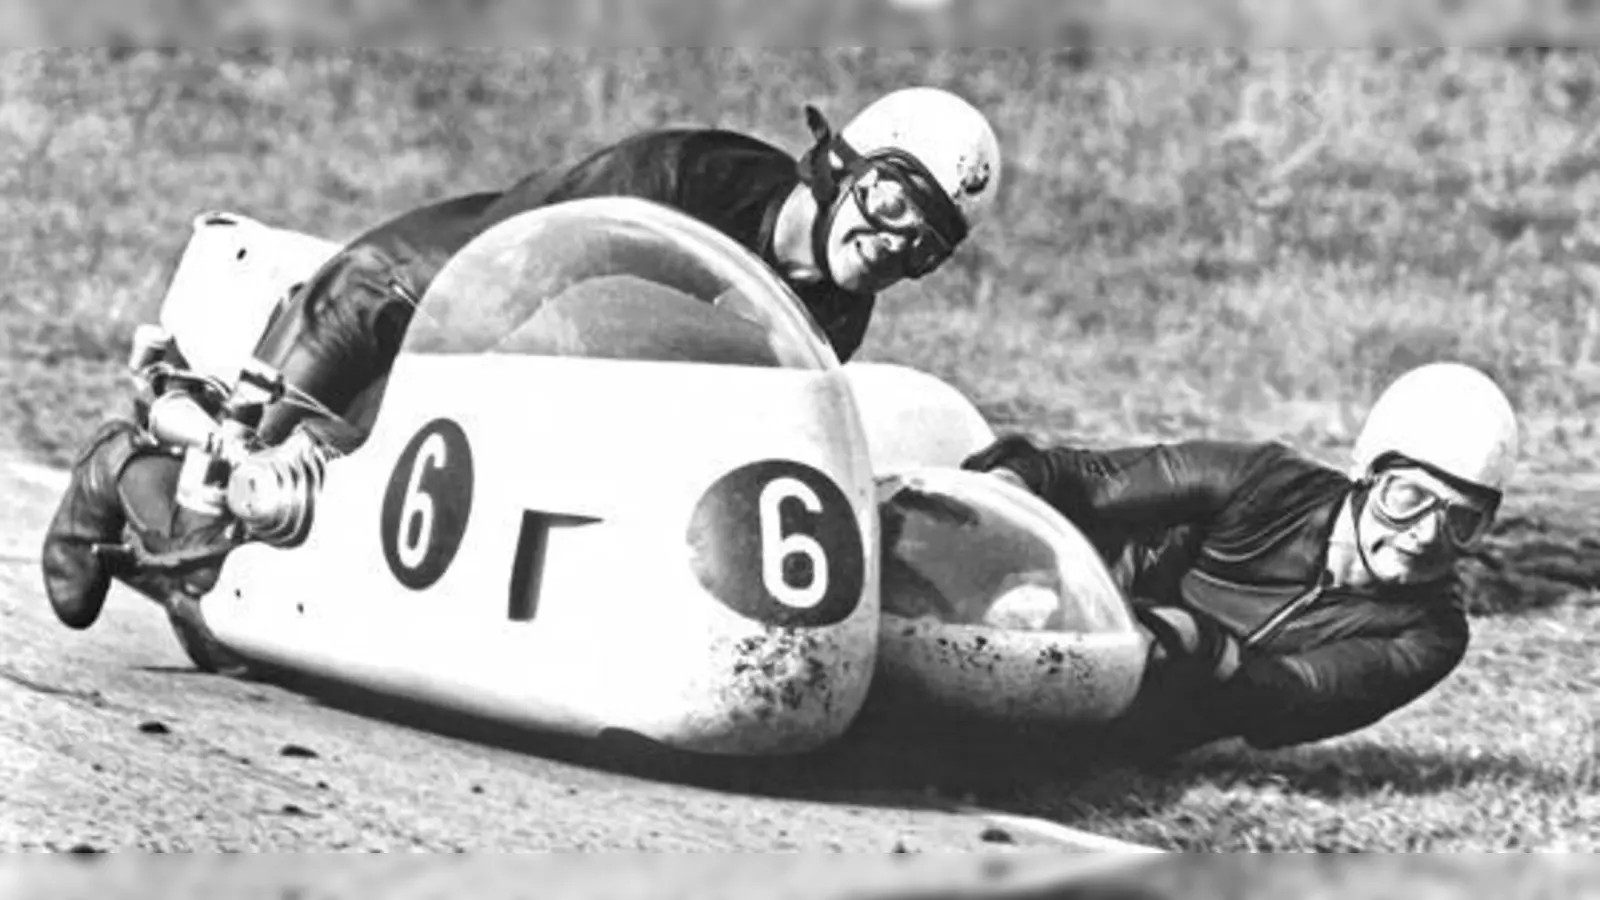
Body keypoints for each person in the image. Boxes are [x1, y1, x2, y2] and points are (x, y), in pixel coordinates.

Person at [40, 85, 1005, 636]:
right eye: (891, 203)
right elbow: (517, 275)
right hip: (421, 304)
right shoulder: (682, 178)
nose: (895, 244)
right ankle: (119, 467)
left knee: (287, 631)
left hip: (553, 386)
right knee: (225, 563)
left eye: (927, 241)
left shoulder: (837, 315)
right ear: (839, 168)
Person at [960, 361, 1520, 762]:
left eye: (1461, 520)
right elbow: (1075, 478)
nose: (1425, 535)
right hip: (1056, 599)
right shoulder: (1260, 482)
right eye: (1408, 498)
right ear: (1367, 475)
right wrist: (1001, 491)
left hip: (1136, 720)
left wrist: (1192, 644)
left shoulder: (1431, 634)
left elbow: (1290, 698)